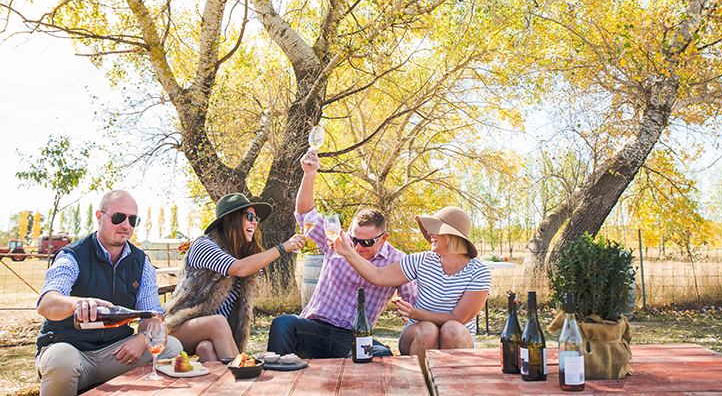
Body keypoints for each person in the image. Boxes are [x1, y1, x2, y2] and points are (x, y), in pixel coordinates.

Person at [266, 149, 417, 359]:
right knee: (282, 324)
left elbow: (414, 305)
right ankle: (278, 386)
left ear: (384, 238)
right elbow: (304, 215)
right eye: (355, 239)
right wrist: (309, 174)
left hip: (352, 337)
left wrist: (412, 311)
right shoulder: (336, 239)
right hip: (315, 328)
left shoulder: (397, 260)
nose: (358, 247)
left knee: (382, 354)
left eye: (367, 242)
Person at [35, 190, 183, 396]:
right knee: (62, 358)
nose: (126, 225)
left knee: (172, 347)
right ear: (99, 217)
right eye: (118, 217)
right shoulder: (72, 256)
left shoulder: (141, 263)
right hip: (72, 351)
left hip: (115, 354)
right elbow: (47, 303)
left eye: (133, 220)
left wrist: (142, 339)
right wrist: (75, 304)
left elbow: (153, 316)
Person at [332, 205, 490, 362]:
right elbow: (378, 275)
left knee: (452, 329)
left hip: (457, 337)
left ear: (452, 235)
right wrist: (348, 252)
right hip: (418, 334)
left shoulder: (478, 271)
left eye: (436, 229)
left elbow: (458, 318)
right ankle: (417, 384)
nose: (429, 233)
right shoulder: (421, 260)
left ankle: (452, 385)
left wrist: (416, 313)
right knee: (428, 330)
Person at [163, 193, 307, 362]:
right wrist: (283, 247)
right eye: (249, 216)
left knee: (207, 349)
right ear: (231, 220)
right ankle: (244, 372)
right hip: (177, 326)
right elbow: (239, 268)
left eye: (256, 218)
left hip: (210, 335)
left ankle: (223, 386)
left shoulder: (246, 257)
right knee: (217, 322)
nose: (255, 222)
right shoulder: (204, 245)